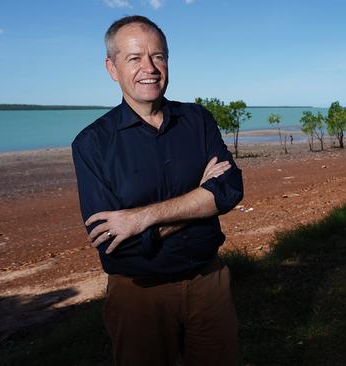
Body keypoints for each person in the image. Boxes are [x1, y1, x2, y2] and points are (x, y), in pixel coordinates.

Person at [71, 15, 243, 365]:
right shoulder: (92, 144)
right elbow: (116, 244)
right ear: (111, 68)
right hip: (139, 295)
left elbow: (228, 189)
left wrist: (142, 218)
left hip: (208, 282)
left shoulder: (197, 120)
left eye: (158, 56)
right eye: (134, 58)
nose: (149, 68)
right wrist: (199, 199)